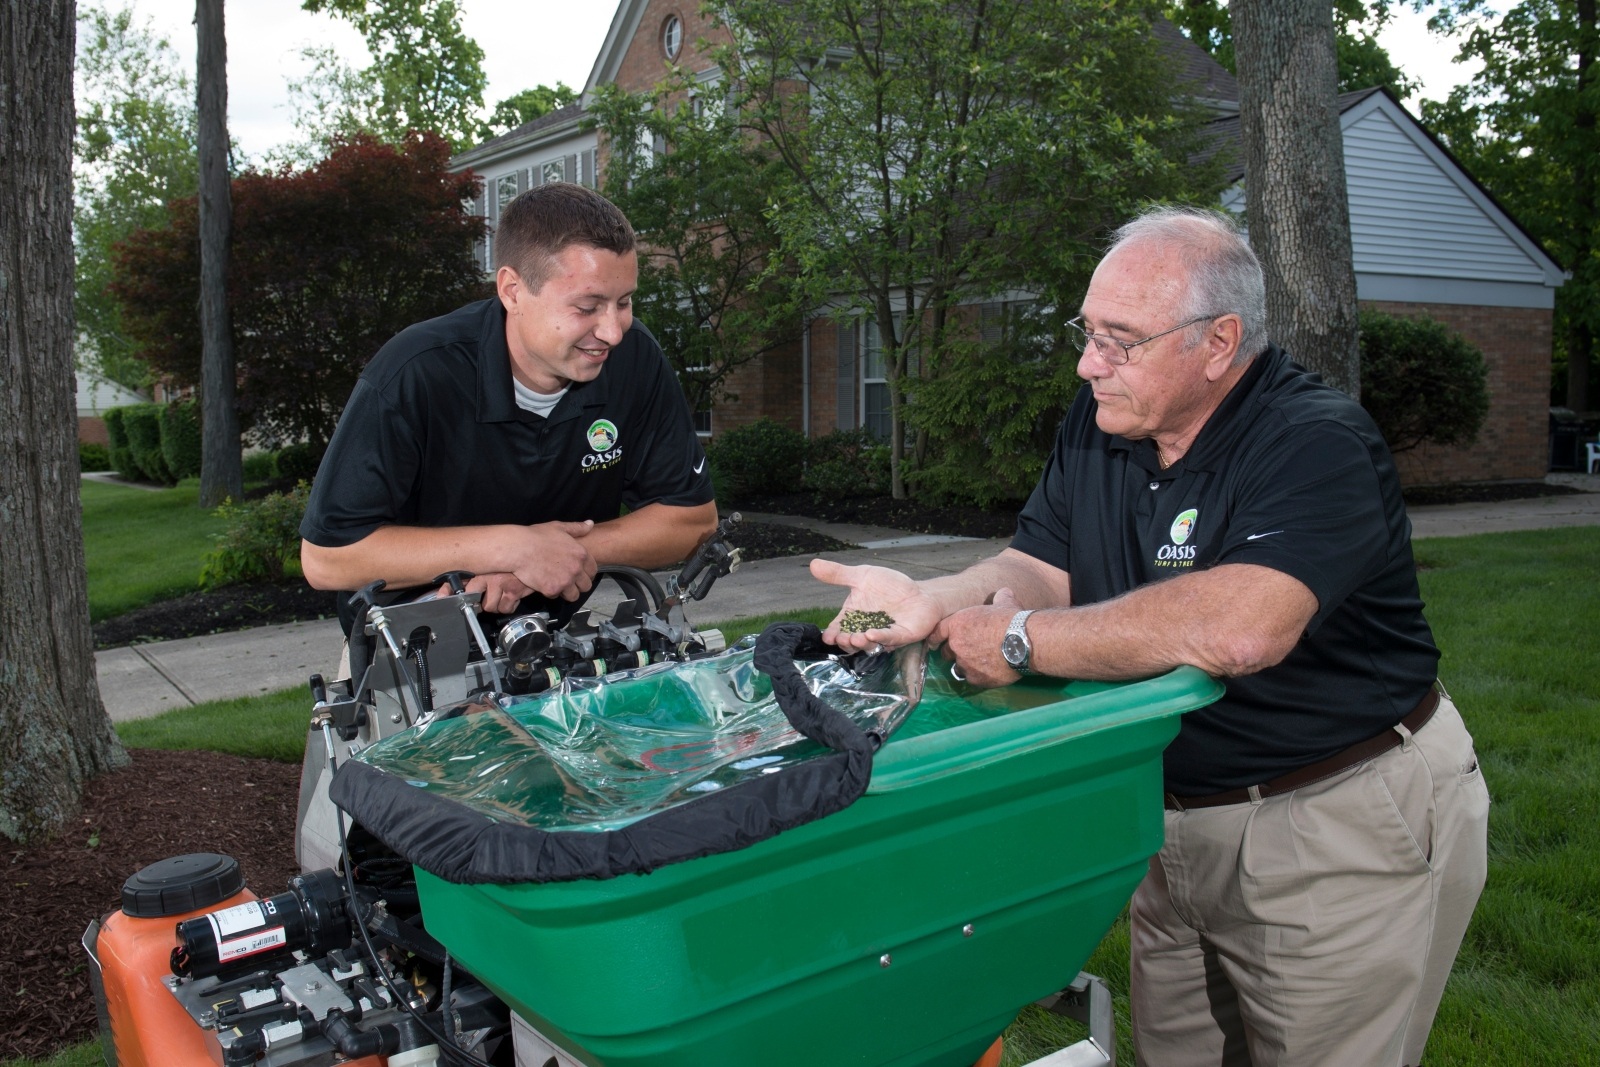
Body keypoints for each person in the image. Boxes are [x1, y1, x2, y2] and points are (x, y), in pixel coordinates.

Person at [813, 206, 1489, 1066]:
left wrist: (1021, 642)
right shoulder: (1108, 419)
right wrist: (932, 597)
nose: (1090, 362)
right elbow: (1042, 565)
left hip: (1334, 819)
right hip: (1165, 819)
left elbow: (1243, 627)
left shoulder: (1314, 442)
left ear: (1218, 344)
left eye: (1120, 339)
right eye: (1088, 331)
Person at [300, 182, 718, 622]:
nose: (613, 331)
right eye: (587, 306)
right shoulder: (416, 371)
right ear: (513, 290)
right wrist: (510, 548)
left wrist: (548, 558)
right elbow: (327, 557)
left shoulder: (635, 360)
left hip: (553, 644)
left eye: (624, 302)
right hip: (407, 656)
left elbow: (693, 521)